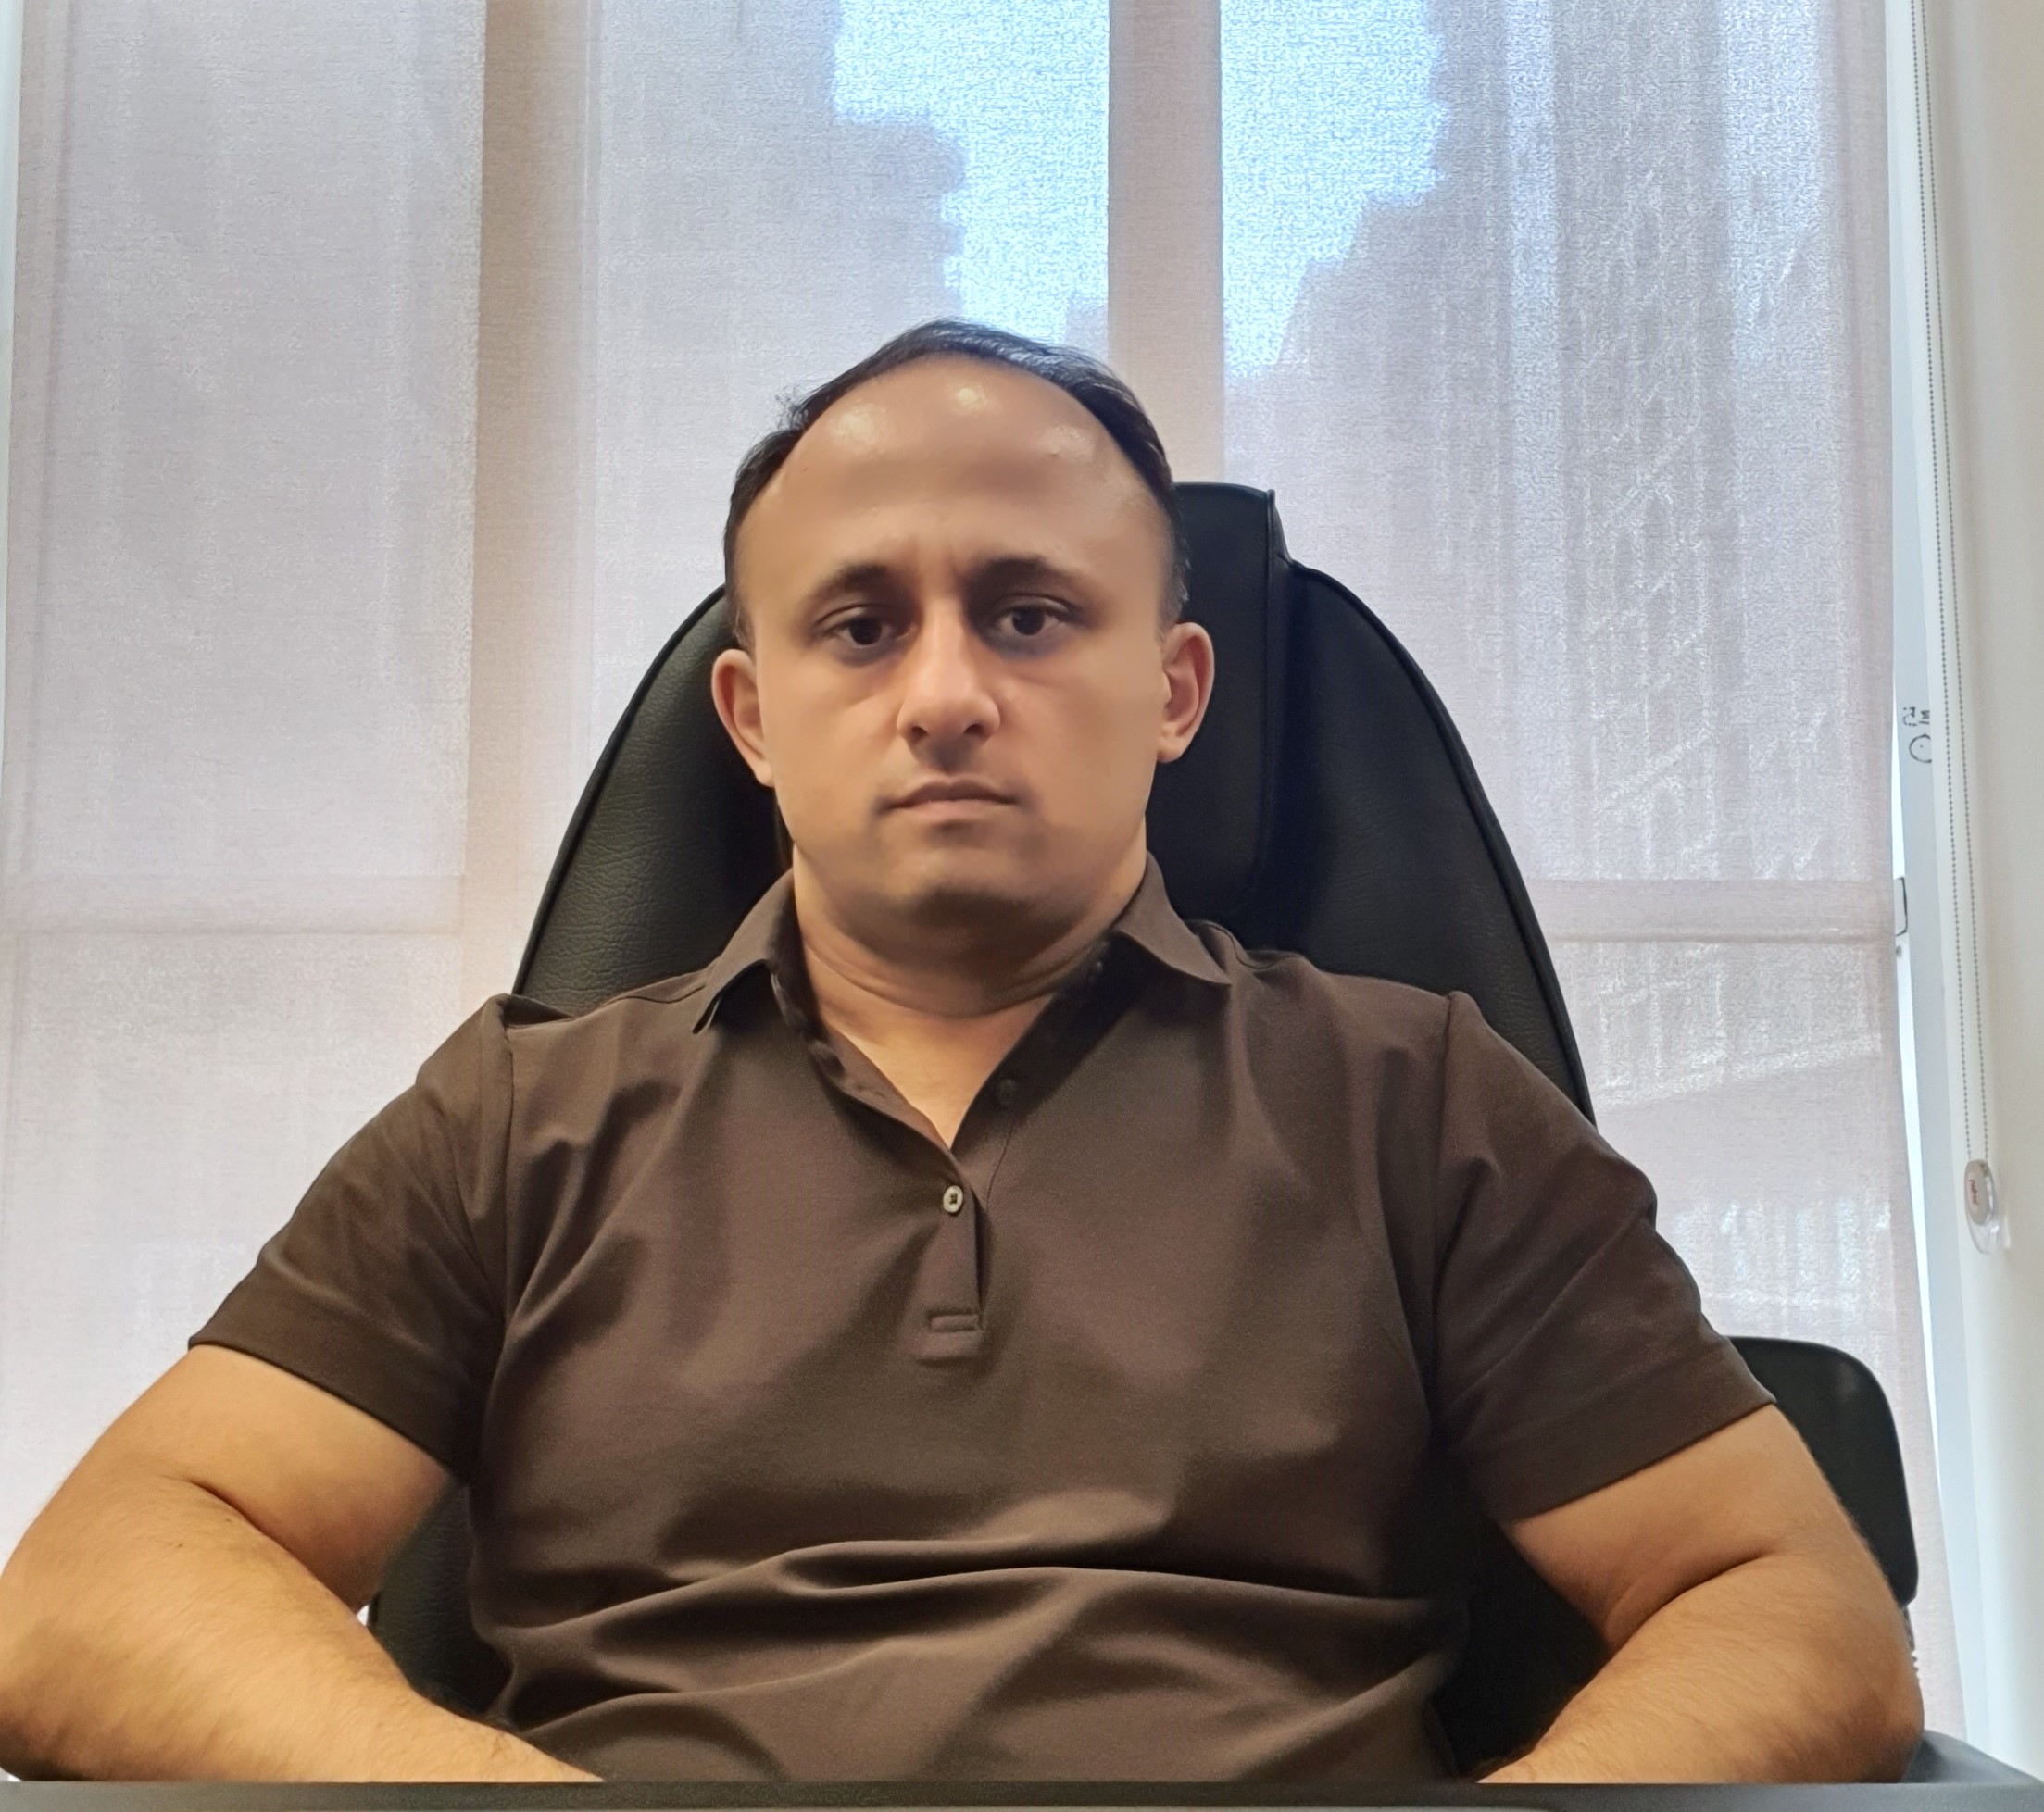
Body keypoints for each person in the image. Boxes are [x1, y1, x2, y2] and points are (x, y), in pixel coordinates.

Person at [0, 321, 1921, 1785]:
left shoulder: (1418, 1099)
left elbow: (1795, 1609)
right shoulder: (516, 1117)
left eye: (1028, 613)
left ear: (1173, 689)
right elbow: (94, 1588)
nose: (942, 695)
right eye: (859, 626)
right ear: (751, 718)